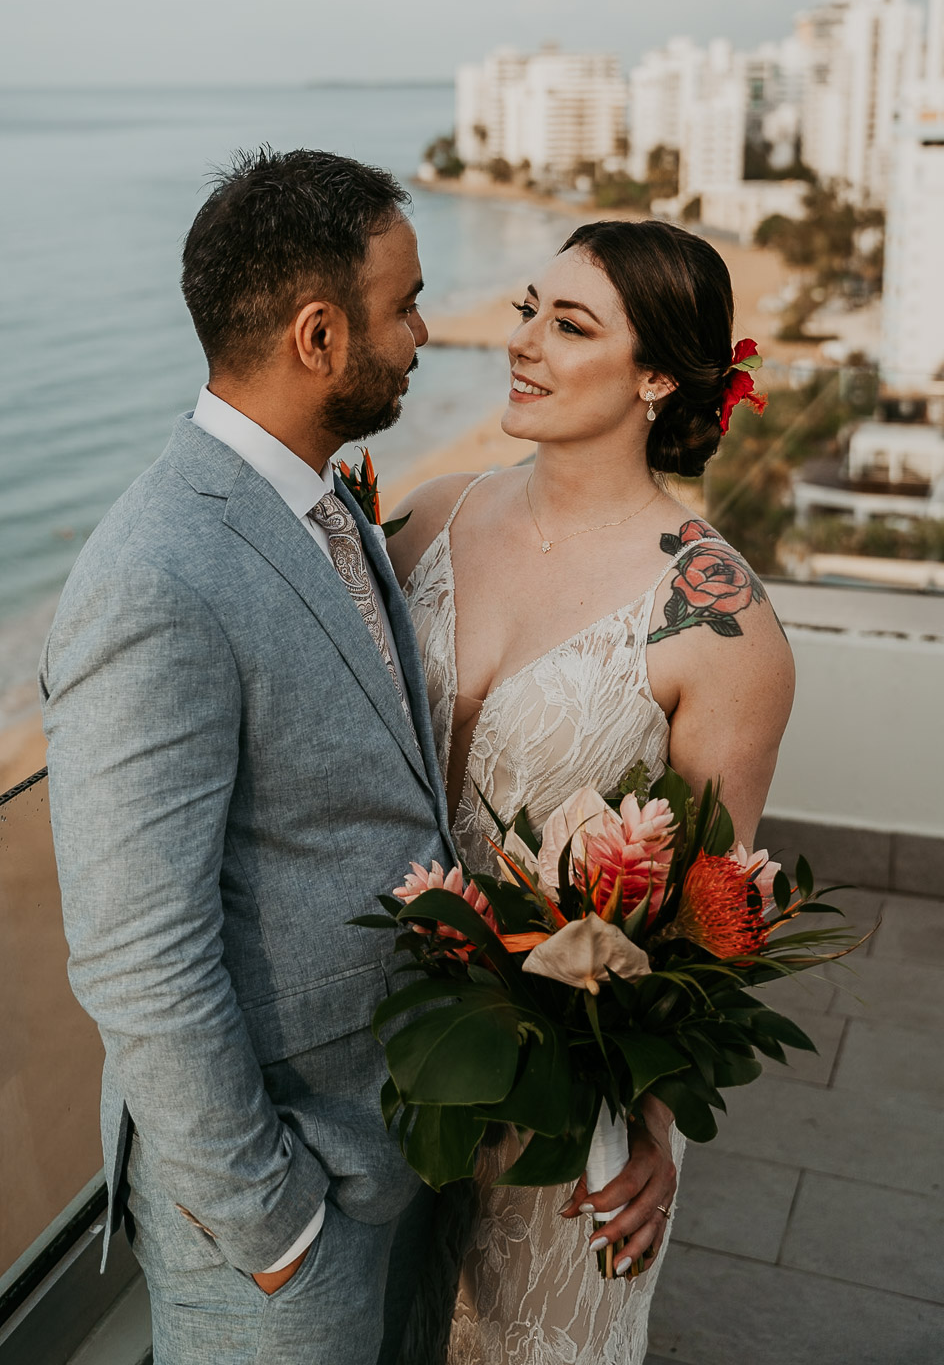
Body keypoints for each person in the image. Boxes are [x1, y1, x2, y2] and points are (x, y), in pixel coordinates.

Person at [42, 148, 454, 1365]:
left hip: (386, 1140)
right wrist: (272, 1222)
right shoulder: (153, 576)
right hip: (282, 1199)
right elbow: (133, 950)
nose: (429, 332)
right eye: (407, 303)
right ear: (318, 335)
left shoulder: (317, 505)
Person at [387, 219, 794, 1365]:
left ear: (657, 376)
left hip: (568, 1102)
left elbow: (716, 908)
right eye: (528, 309)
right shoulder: (428, 518)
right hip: (385, 1052)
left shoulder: (717, 617)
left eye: (571, 325)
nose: (523, 342)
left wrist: (655, 1126)